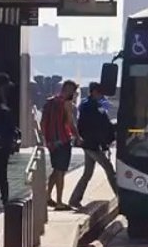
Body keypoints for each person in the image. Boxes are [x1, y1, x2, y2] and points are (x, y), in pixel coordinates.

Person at [69, 82, 118, 209]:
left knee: (87, 173)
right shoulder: (91, 106)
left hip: (90, 143)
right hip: (92, 144)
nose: (101, 95)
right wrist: (105, 139)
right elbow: (98, 125)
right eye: (100, 92)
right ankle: (120, 196)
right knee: (109, 168)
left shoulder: (89, 105)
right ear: (94, 92)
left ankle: (74, 199)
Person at [40, 80, 79, 209]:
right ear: (69, 90)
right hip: (63, 141)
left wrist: (47, 139)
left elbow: (42, 122)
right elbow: (70, 123)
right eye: (73, 92)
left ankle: (47, 197)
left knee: (56, 170)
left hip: (52, 142)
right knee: (61, 172)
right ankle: (59, 202)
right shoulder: (66, 104)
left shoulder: (49, 102)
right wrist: (78, 136)